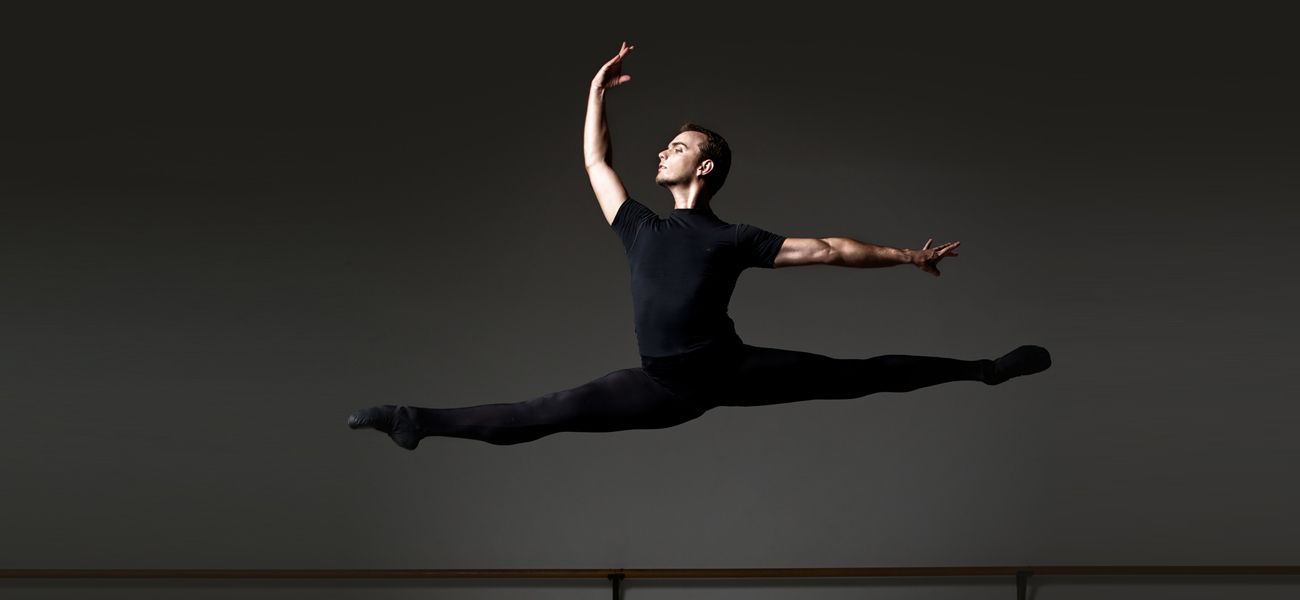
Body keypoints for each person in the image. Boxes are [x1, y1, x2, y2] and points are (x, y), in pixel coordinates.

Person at [348, 42, 1051, 450]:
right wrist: (596, 93)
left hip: (728, 369)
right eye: (666, 144)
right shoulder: (639, 227)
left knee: (856, 374)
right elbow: (598, 165)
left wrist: (906, 255)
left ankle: (985, 369)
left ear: (704, 167)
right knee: (547, 412)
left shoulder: (732, 238)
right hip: (662, 385)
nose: (665, 151)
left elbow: (831, 248)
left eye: (678, 147)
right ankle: (413, 421)